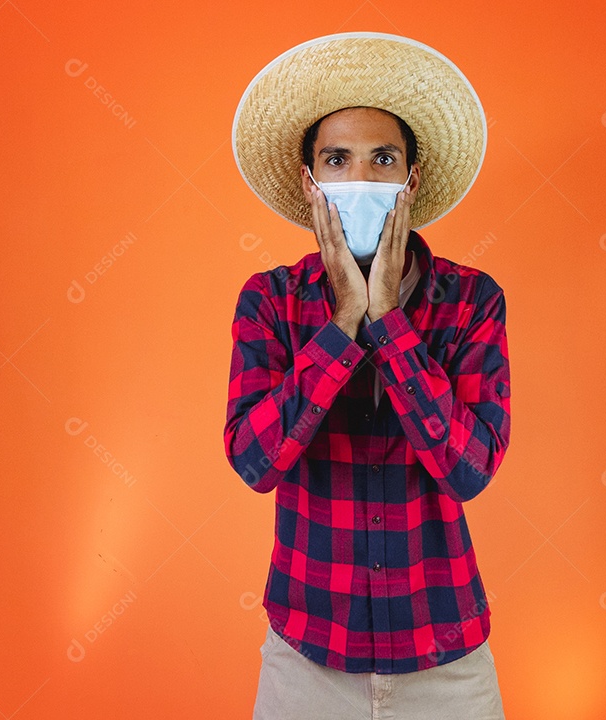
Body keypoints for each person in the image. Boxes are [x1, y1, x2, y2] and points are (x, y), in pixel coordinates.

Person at [225, 31, 511, 719]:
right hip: (306, 656)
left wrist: (389, 321)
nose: (359, 180)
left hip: (445, 657)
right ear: (309, 181)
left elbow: (469, 470)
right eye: (337, 160)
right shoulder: (269, 301)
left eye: (382, 159)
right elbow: (254, 459)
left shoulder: (472, 300)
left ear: (410, 180)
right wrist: (344, 320)